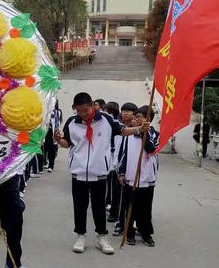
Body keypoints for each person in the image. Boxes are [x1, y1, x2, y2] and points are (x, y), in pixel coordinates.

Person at [54, 93, 149, 255]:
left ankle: (101, 237)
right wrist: (58, 140)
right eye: (79, 111)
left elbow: (122, 130)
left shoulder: (105, 119)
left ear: (92, 105)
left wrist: (139, 129)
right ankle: (81, 236)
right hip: (78, 173)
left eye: (85, 110)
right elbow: (67, 143)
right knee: (80, 206)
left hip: (99, 173)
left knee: (99, 206)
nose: (83, 114)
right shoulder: (71, 122)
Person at [118, 106, 159, 246]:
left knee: (146, 208)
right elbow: (122, 155)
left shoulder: (155, 134)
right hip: (131, 177)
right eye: (136, 117)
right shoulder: (129, 135)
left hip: (147, 179)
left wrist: (143, 133)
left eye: (141, 117)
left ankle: (146, 233)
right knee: (130, 207)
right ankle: (129, 232)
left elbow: (151, 148)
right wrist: (121, 173)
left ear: (149, 120)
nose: (137, 120)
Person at [113, 102, 138, 235]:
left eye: (129, 111)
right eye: (123, 110)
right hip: (118, 167)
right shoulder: (117, 127)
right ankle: (120, 222)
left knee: (132, 199)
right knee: (120, 198)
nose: (125, 113)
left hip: (132, 170)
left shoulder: (138, 131)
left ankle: (132, 223)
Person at [104, 102, 122, 222]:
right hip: (109, 158)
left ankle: (111, 205)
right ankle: (109, 204)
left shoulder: (116, 126)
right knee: (110, 184)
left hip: (113, 159)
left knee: (112, 185)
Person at [44, 100, 63, 173]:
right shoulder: (46, 110)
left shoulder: (58, 112)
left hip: (53, 132)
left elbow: (59, 120)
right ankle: (45, 162)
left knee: (52, 150)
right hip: (46, 132)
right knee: (45, 148)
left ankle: (51, 166)